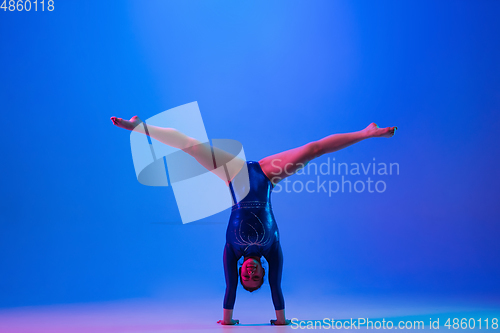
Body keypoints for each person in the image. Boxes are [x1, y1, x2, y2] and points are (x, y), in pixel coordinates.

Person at [110, 115, 397, 325]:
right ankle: (367, 133)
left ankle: (139, 127)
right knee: (313, 149)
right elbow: (276, 288)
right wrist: (281, 322)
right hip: (266, 176)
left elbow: (229, 289)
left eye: (245, 276)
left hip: (233, 175)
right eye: (255, 276)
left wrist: (227, 321)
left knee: (190, 145)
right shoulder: (272, 251)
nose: (249, 273)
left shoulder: (231, 251)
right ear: (261, 271)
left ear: (240, 272)